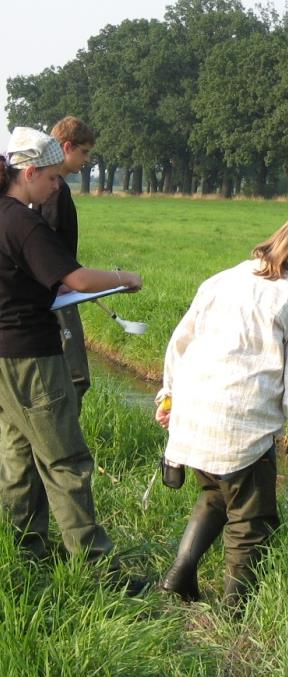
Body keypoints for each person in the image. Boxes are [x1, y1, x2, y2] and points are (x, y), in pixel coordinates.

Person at [155, 212, 288, 609]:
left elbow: (181, 342)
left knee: (214, 495)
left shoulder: (225, 278)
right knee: (251, 520)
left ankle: (178, 576)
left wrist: (169, 396)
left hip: (194, 413)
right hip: (239, 426)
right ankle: (234, 613)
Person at [0, 126, 144, 591]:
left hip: (3, 357)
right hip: (31, 356)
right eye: (51, 179)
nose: (57, 187)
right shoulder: (22, 221)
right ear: (29, 172)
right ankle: (99, 570)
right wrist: (126, 276)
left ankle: (23, 551)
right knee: (66, 461)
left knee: (18, 455)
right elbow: (76, 279)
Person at [36, 117, 95, 413]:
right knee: (76, 376)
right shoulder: (54, 190)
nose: (87, 160)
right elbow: (46, 249)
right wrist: (69, 280)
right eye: (84, 152)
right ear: (67, 147)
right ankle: (64, 446)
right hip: (58, 292)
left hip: (58, 288)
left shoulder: (47, 187)